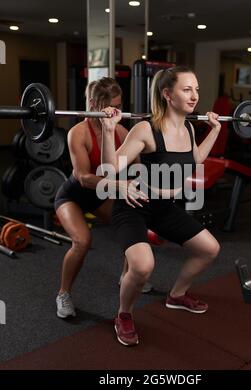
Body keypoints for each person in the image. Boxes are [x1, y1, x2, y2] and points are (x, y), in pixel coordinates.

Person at [100, 66, 221, 346]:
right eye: (187, 89)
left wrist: (215, 130)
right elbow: (109, 170)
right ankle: (124, 315)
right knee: (143, 267)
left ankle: (177, 295)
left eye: (196, 89)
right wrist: (108, 130)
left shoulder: (189, 127)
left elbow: (196, 160)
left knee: (209, 249)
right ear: (167, 94)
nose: (194, 96)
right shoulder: (146, 128)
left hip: (165, 207)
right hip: (134, 205)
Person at [54, 77, 151, 319]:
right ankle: (63, 293)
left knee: (133, 222)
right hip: (72, 197)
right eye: (113, 106)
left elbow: (139, 167)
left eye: (120, 105)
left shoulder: (121, 130)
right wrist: (120, 185)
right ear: (94, 104)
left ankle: (126, 275)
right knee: (82, 241)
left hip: (100, 195)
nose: (118, 111)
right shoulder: (78, 133)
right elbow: (84, 177)